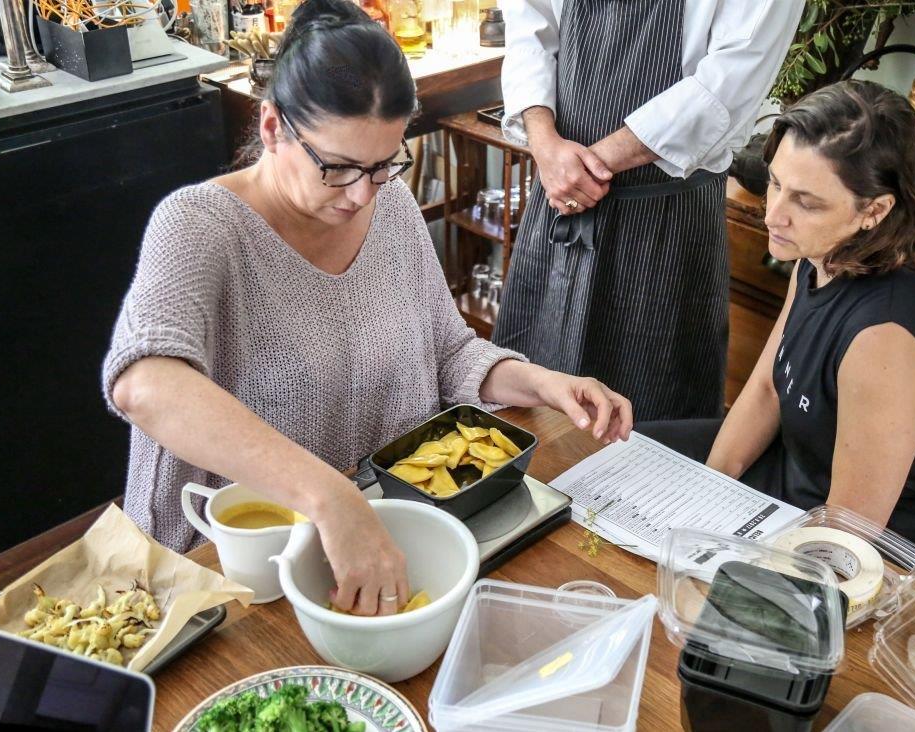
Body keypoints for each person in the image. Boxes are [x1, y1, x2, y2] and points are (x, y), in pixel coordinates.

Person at [102, 0, 632, 617]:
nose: (360, 195)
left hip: (371, 547)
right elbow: (145, 384)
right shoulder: (199, 226)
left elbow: (447, 348)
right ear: (273, 128)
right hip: (230, 582)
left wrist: (545, 383)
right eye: (337, 168)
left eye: (383, 166)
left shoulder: (392, 207)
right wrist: (330, 497)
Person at [637, 80, 915, 579]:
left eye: (807, 202)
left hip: (868, 550)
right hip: (794, 475)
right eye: (775, 183)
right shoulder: (820, 257)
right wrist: (702, 496)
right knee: (630, 462)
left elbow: (845, 537)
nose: (774, 214)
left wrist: (709, 557)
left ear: (874, 211)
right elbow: (768, 388)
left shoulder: (884, 340)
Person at [491, 0, 804, 421]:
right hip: (559, 193)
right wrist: (546, 145)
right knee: (529, 407)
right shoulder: (560, 170)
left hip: (666, 220)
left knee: (649, 420)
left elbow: (730, 81)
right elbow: (529, 23)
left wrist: (584, 168)